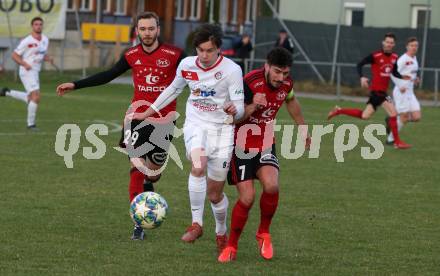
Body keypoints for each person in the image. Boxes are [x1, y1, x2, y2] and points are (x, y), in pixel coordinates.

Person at [56, 12, 185, 240]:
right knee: (136, 168)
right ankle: (138, 224)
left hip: (164, 122)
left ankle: (149, 184)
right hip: (136, 119)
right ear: (137, 30)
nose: (147, 33)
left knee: (153, 174)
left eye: (151, 28)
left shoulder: (175, 55)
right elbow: (108, 75)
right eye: (143, 29)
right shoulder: (131, 54)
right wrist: (76, 84)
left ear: (158, 29)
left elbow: (196, 74)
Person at [129, 24, 245, 254]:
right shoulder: (186, 65)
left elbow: (240, 108)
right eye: (201, 50)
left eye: (209, 50)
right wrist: (148, 112)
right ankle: (197, 224)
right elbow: (172, 90)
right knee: (198, 165)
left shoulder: (232, 70)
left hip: (222, 131)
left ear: (219, 49)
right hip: (196, 125)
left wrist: (235, 110)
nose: (204, 55)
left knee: (215, 194)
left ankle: (221, 231)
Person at [217, 47, 309, 262]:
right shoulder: (249, 82)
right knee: (247, 198)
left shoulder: (287, 84)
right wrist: (252, 106)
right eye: (277, 71)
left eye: (285, 73)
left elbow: (291, 101)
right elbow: (233, 119)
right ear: (267, 66)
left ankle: (263, 233)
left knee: (272, 185)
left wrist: (303, 129)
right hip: (240, 145)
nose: (281, 77)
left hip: (266, 143)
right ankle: (231, 246)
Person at [327, 32, 411, 149]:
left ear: (394, 44)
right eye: (387, 42)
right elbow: (359, 64)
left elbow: (394, 71)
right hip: (377, 92)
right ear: (383, 42)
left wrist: (403, 77)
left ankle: (339, 111)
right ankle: (397, 142)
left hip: (381, 93)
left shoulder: (395, 57)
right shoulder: (375, 56)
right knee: (393, 113)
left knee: (365, 116)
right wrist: (362, 77)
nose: (389, 44)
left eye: (391, 43)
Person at [0, 17, 53, 130]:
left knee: (31, 99)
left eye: (40, 24)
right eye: (36, 24)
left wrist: (47, 58)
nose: (38, 26)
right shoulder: (27, 41)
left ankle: (7, 92)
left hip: (35, 72)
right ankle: (31, 124)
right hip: (27, 71)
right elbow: (14, 55)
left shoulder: (45, 39)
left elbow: (41, 54)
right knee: (36, 97)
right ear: (32, 26)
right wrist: (24, 64)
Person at [386, 37, 421, 144]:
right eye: (412, 45)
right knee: (404, 118)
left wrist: (415, 79)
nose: (414, 47)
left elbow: (410, 74)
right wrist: (399, 84)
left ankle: (392, 120)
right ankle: (390, 139)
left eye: (416, 45)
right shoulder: (403, 59)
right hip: (401, 92)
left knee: (417, 117)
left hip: (410, 92)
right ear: (407, 46)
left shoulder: (414, 58)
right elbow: (392, 72)